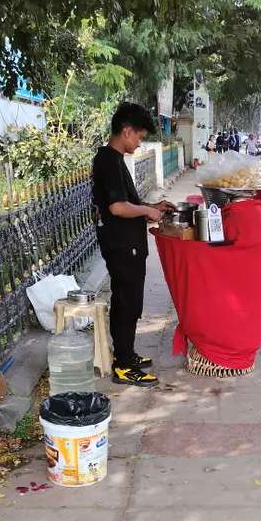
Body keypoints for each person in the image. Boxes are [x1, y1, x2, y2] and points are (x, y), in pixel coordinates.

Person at [92, 102, 175, 387]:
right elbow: (117, 207)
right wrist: (146, 212)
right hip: (121, 244)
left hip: (127, 242)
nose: (139, 143)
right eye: (139, 137)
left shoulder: (115, 159)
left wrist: (153, 206)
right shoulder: (108, 161)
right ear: (126, 131)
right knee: (127, 303)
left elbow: (128, 203)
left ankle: (126, 353)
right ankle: (124, 366)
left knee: (129, 301)